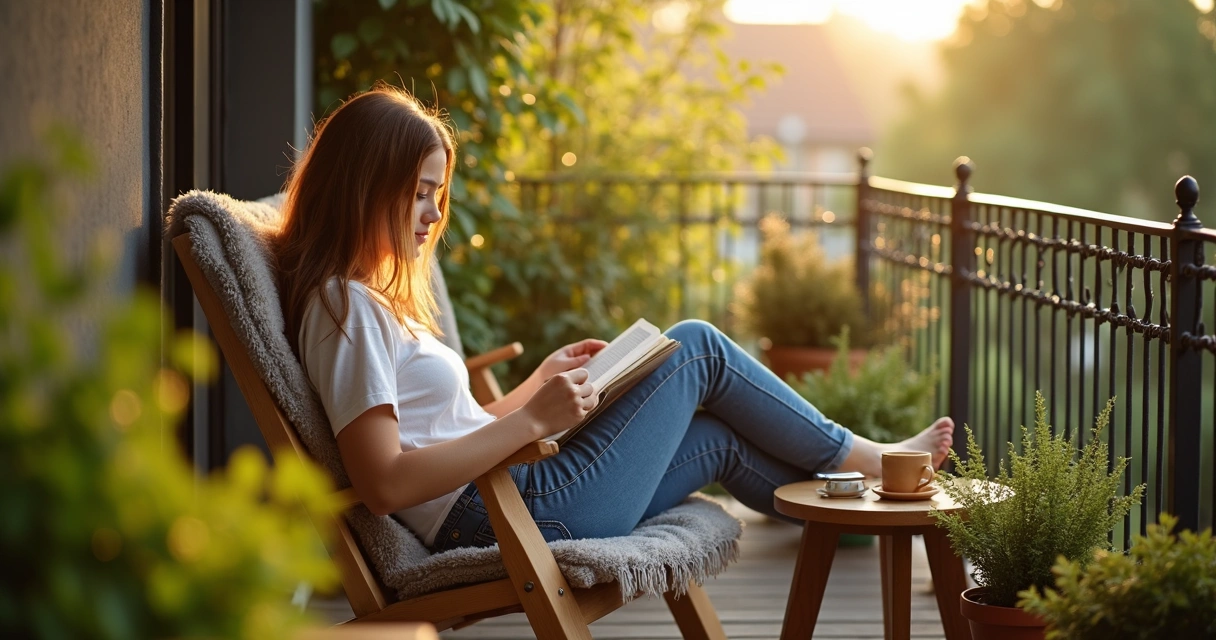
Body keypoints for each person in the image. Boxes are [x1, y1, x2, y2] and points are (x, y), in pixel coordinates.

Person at [273, 85, 953, 553]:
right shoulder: (346, 309)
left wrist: (533, 391)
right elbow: (385, 483)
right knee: (696, 349)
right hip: (508, 517)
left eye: (436, 194)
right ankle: (878, 461)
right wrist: (533, 422)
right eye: (418, 194)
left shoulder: (368, 303)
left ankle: (877, 507)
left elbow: (445, 435)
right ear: (364, 185)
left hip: (513, 497)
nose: (433, 214)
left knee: (720, 437)